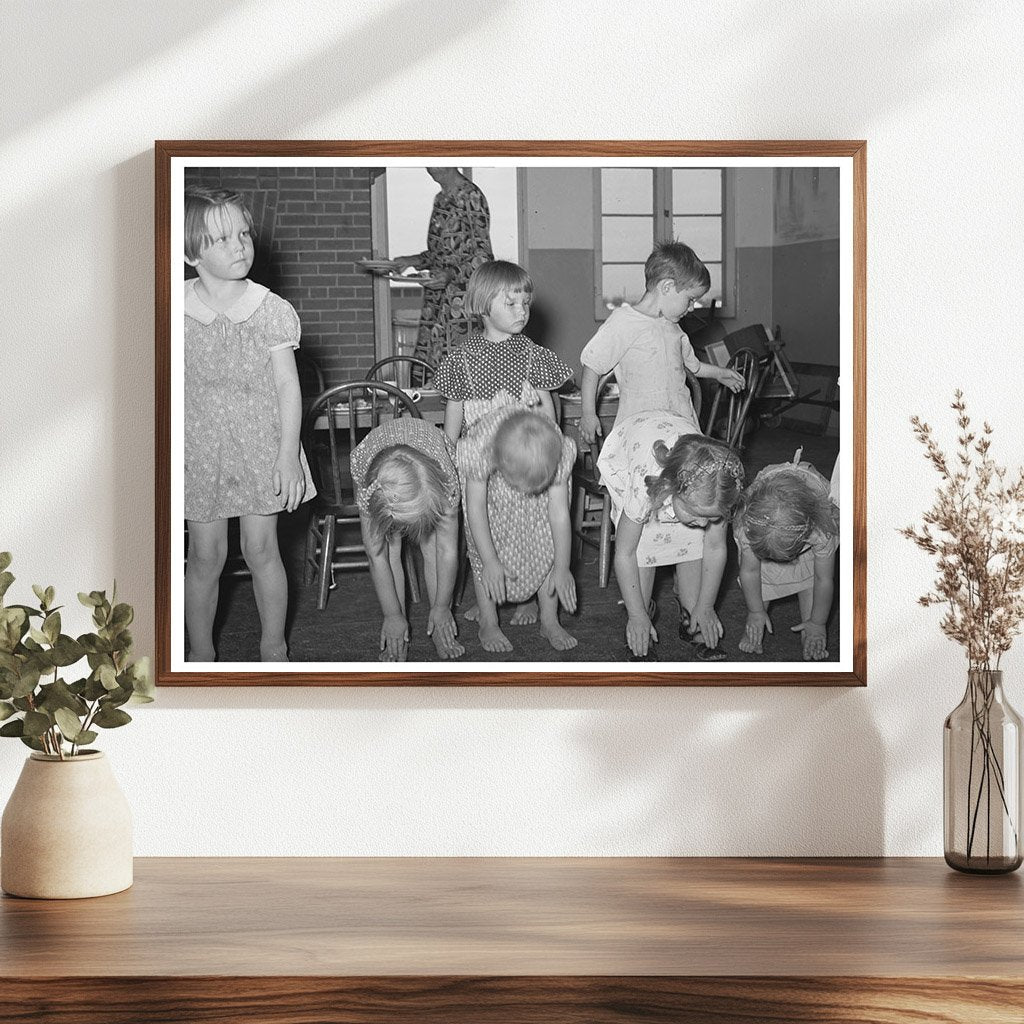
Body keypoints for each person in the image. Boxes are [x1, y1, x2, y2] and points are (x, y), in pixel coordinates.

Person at [183, 185, 315, 663]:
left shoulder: (270, 310)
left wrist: (287, 457)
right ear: (189, 251)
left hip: (262, 445)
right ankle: (199, 654)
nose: (239, 245)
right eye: (222, 239)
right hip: (198, 451)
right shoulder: (171, 310)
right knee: (204, 558)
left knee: (262, 552)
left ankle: (273, 647)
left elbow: (287, 388)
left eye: (244, 234)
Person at [435, 259, 573, 627]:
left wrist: (547, 447)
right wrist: (451, 463)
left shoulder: (531, 353)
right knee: (487, 541)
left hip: (528, 459)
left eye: (525, 303)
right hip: (485, 468)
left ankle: (546, 616)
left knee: (539, 536)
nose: (521, 311)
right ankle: (489, 621)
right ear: (482, 306)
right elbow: (453, 423)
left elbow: (547, 408)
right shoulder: (462, 359)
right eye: (510, 303)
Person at [598, 411, 744, 660]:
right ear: (672, 488)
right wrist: (636, 615)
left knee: (695, 540)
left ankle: (693, 614)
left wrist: (706, 605)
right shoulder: (645, 486)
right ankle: (641, 617)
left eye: (711, 517)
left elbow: (716, 549)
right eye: (697, 513)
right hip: (628, 448)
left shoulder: (718, 490)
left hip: (680, 445)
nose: (702, 523)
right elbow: (625, 553)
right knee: (642, 545)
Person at [578, 241, 745, 445]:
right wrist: (588, 413)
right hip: (640, 427)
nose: (692, 308)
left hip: (680, 422)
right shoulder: (624, 322)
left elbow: (694, 367)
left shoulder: (674, 328)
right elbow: (592, 366)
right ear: (666, 286)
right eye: (690, 299)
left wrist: (720, 373)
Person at [457, 403, 577, 653]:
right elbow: (475, 509)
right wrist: (490, 561)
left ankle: (550, 620)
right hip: (491, 503)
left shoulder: (556, 449)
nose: (526, 493)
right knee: (485, 553)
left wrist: (563, 567)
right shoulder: (480, 447)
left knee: (547, 545)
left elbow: (559, 514)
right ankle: (488, 622)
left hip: (540, 504)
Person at [352, 418, 464, 662]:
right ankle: (396, 628)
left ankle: (438, 623)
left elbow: (447, 552)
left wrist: (443, 606)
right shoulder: (368, 484)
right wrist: (392, 614)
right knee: (390, 549)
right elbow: (377, 555)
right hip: (376, 455)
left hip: (433, 450)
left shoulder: (446, 483)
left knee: (433, 545)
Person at [734, 450, 839, 661]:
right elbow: (750, 571)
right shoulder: (747, 526)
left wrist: (818, 623)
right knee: (761, 580)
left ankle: (811, 631)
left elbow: (824, 579)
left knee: (811, 579)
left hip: (812, 513)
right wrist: (755, 611)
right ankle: (755, 621)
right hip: (768, 514)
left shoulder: (821, 530)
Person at [391, 167, 494, 364]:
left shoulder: (471, 196)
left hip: (461, 302)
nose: (428, 167)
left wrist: (451, 274)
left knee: (457, 368)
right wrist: (409, 261)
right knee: (429, 367)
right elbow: (440, 254)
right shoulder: (440, 199)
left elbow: (483, 256)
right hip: (435, 300)